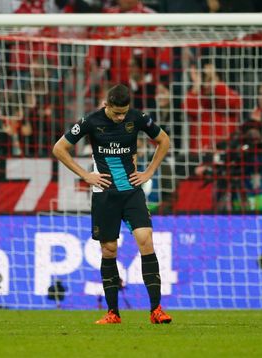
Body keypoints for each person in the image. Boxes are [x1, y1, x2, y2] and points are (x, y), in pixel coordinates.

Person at [52, 84, 172, 325]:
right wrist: (86, 176)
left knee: (146, 239)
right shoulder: (90, 121)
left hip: (131, 191)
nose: (120, 117)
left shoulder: (137, 118)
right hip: (104, 193)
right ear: (106, 105)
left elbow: (164, 140)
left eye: (124, 112)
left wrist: (148, 172)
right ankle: (113, 313)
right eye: (116, 113)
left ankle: (156, 310)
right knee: (109, 250)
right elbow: (59, 148)